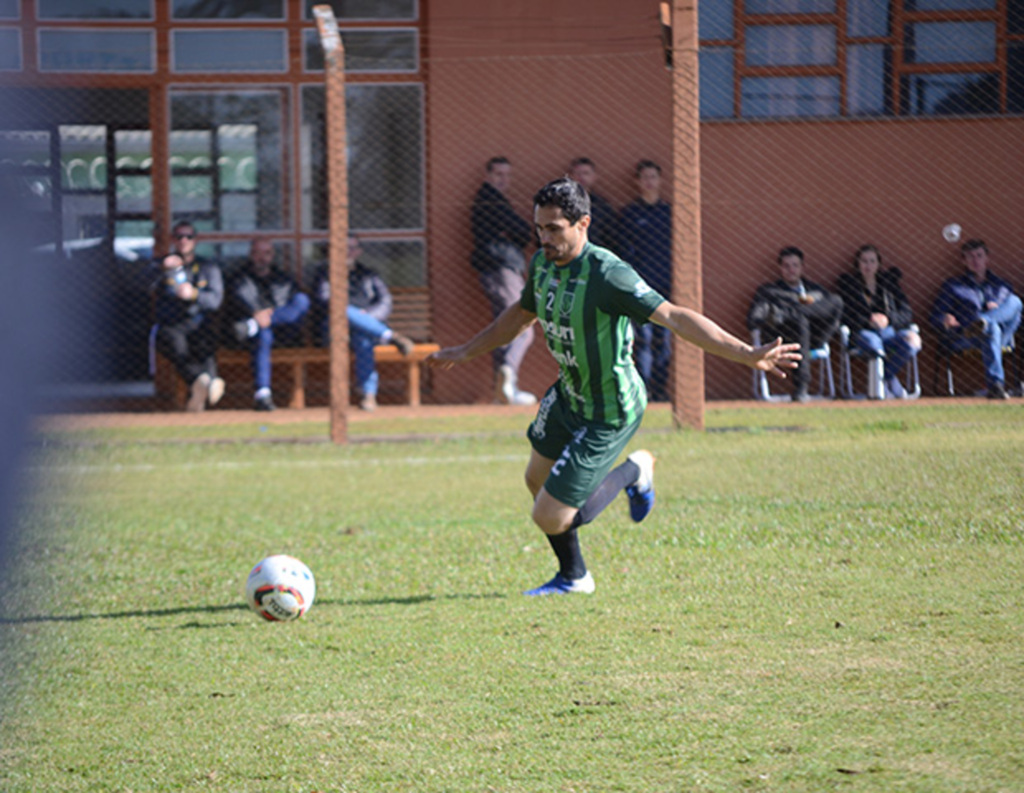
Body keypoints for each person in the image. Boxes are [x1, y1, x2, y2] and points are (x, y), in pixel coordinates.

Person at [430, 177, 800, 596]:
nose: (543, 238)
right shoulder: (542, 264)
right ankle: (574, 577)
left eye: (554, 229)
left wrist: (746, 352)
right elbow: (519, 316)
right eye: (539, 228)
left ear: (583, 223)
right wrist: (466, 351)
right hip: (569, 394)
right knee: (537, 481)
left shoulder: (610, 275)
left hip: (611, 407)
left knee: (549, 515)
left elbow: (676, 317)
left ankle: (634, 471)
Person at [313, 236, 415, 411]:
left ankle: (368, 395)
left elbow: (385, 301)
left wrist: (367, 317)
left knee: (363, 340)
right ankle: (390, 335)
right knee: (342, 310)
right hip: (335, 329)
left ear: (359, 251)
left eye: (352, 248)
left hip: (367, 329)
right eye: (343, 248)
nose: (348, 252)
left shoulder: (369, 274)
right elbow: (325, 300)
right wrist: (352, 314)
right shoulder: (325, 274)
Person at [470, 156, 537, 406]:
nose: (503, 180)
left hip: (501, 268)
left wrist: (513, 231)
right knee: (524, 324)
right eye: (498, 174)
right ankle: (508, 374)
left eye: (507, 175)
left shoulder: (495, 200)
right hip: (501, 269)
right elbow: (521, 230)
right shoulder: (489, 199)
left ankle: (503, 391)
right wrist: (513, 231)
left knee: (505, 326)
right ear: (488, 175)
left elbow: (519, 231)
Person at [747, 245, 843, 402]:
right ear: (780, 268)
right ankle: (801, 388)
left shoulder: (815, 290)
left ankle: (799, 312)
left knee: (836, 300)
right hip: (785, 337)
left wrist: (797, 309)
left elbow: (832, 311)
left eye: (795, 265)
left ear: (802, 267)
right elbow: (753, 319)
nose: (791, 270)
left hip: (816, 336)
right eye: (786, 266)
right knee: (800, 321)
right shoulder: (769, 291)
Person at [930, 238, 1022, 399]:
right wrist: (945, 318)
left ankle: (984, 321)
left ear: (987, 259)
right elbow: (935, 316)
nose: (975, 260)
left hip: (1003, 335)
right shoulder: (953, 286)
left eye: (979, 256)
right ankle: (996, 385)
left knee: (1016, 302)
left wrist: (996, 310)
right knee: (991, 328)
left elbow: (1012, 314)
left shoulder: (1001, 285)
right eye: (970, 257)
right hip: (967, 335)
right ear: (963, 261)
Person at [227, 238, 311, 411]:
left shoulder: (284, 278)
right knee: (263, 334)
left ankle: (254, 325)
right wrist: (257, 315)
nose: (262, 258)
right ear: (251, 255)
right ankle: (263, 395)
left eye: (266, 253)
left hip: (284, 333)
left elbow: (295, 309)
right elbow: (240, 299)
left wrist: (266, 318)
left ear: (272, 256)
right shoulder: (240, 278)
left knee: (302, 300)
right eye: (258, 253)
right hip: (252, 337)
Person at [153, 221, 225, 412]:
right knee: (172, 342)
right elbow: (142, 284)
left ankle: (203, 386)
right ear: (172, 240)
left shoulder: (207, 267)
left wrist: (193, 294)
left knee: (206, 340)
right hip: (173, 324)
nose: (184, 240)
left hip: (199, 322)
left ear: (195, 240)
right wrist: (162, 267)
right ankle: (203, 383)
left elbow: (215, 300)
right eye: (179, 236)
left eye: (188, 236)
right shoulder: (163, 265)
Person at [836, 244, 921, 399]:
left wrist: (888, 319)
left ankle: (885, 378)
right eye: (864, 261)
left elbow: (906, 313)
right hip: (863, 334)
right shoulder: (849, 286)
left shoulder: (889, 286)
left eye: (872, 261)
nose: (868, 265)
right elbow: (843, 315)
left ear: (878, 264)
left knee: (913, 340)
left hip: (889, 333)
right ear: (857, 264)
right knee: (874, 343)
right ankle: (884, 386)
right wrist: (868, 320)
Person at [619, 159, 673, 400]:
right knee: (642, 340)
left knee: (664, 341)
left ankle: (660, 391)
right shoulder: (629, 215)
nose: (649, 182)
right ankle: (644, 391)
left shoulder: (670, 213)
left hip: (666, 286)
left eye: (653, 177)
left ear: (660, 181)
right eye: (645, 177)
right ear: (637, 182)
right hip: (639, 288)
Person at [569, 157, 619, 254]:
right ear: (571, 177)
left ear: (594, 177)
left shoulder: (603, 206)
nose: (581, 177)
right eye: (578, 174)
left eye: (586, 173)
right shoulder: (561, 203)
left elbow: (613, 237)